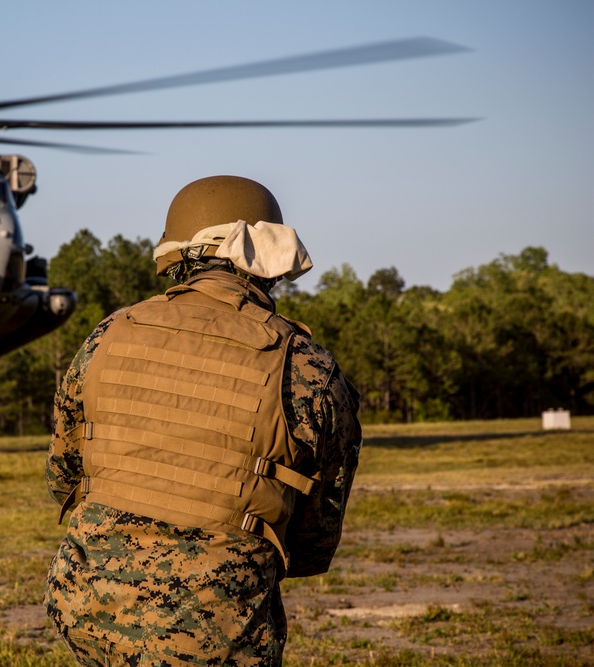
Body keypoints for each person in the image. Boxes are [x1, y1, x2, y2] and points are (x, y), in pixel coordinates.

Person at [45, 175, 362, 667]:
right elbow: (316, 537)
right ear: (268, 259)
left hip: (86, 610)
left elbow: (62, 477)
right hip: (216, 632)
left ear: (179, 253)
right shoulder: (306, 365)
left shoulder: (109, 334)